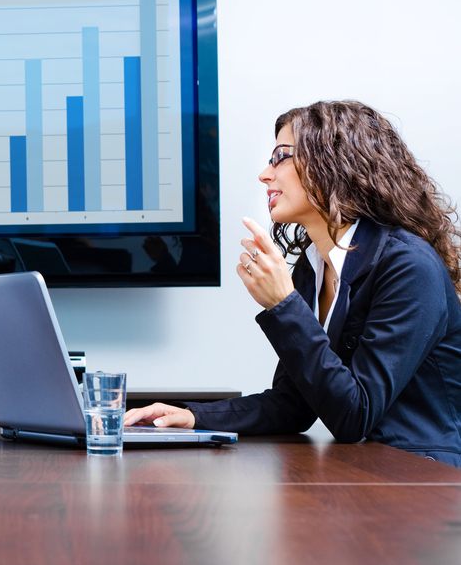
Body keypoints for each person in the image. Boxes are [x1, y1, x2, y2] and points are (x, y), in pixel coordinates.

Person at [125, 100, 461, 466]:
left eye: (279, 157)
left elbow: (356, 414)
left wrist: (284, 305)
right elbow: (295, 403)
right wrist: (194, 417)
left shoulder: (408, 266)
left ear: (332, 161)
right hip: (362, 473)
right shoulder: (311, 267)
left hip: (424, 479)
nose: (264, 175)